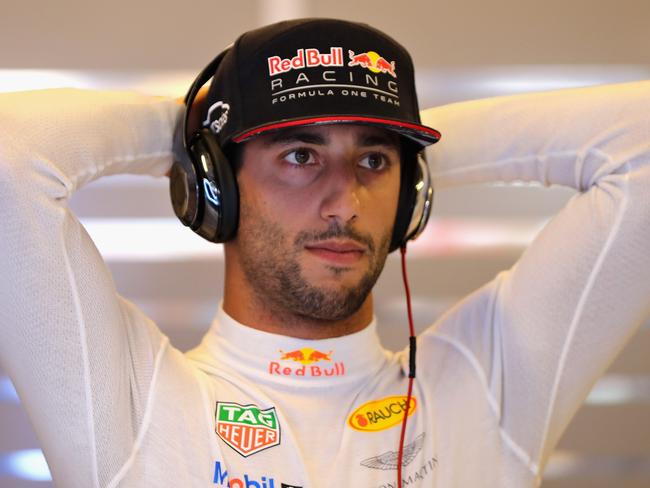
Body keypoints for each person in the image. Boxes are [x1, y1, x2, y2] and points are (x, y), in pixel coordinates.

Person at [0, 17, 648, 488]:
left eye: (373, 160)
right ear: (218, 188)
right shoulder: (135, 408)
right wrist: (194, 140)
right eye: (301, 156)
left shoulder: (484, 387)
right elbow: (11, 152)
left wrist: (421, 150)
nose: (345, 204)